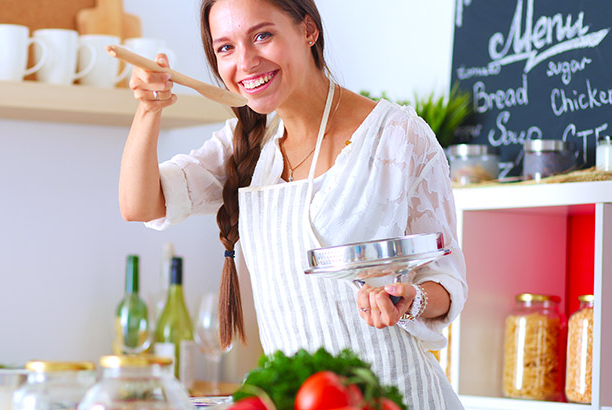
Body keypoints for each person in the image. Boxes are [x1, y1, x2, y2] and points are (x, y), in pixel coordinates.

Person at [118, 0, 467, 408]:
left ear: (308, 31)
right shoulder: (246, 141)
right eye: (225, 47)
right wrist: (148, 110)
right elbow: (140, 204)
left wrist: (412, 297)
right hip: (301, 398)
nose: (245, 62)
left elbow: (448, 280)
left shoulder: (397, 137)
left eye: (262, 35)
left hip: (397, 396)